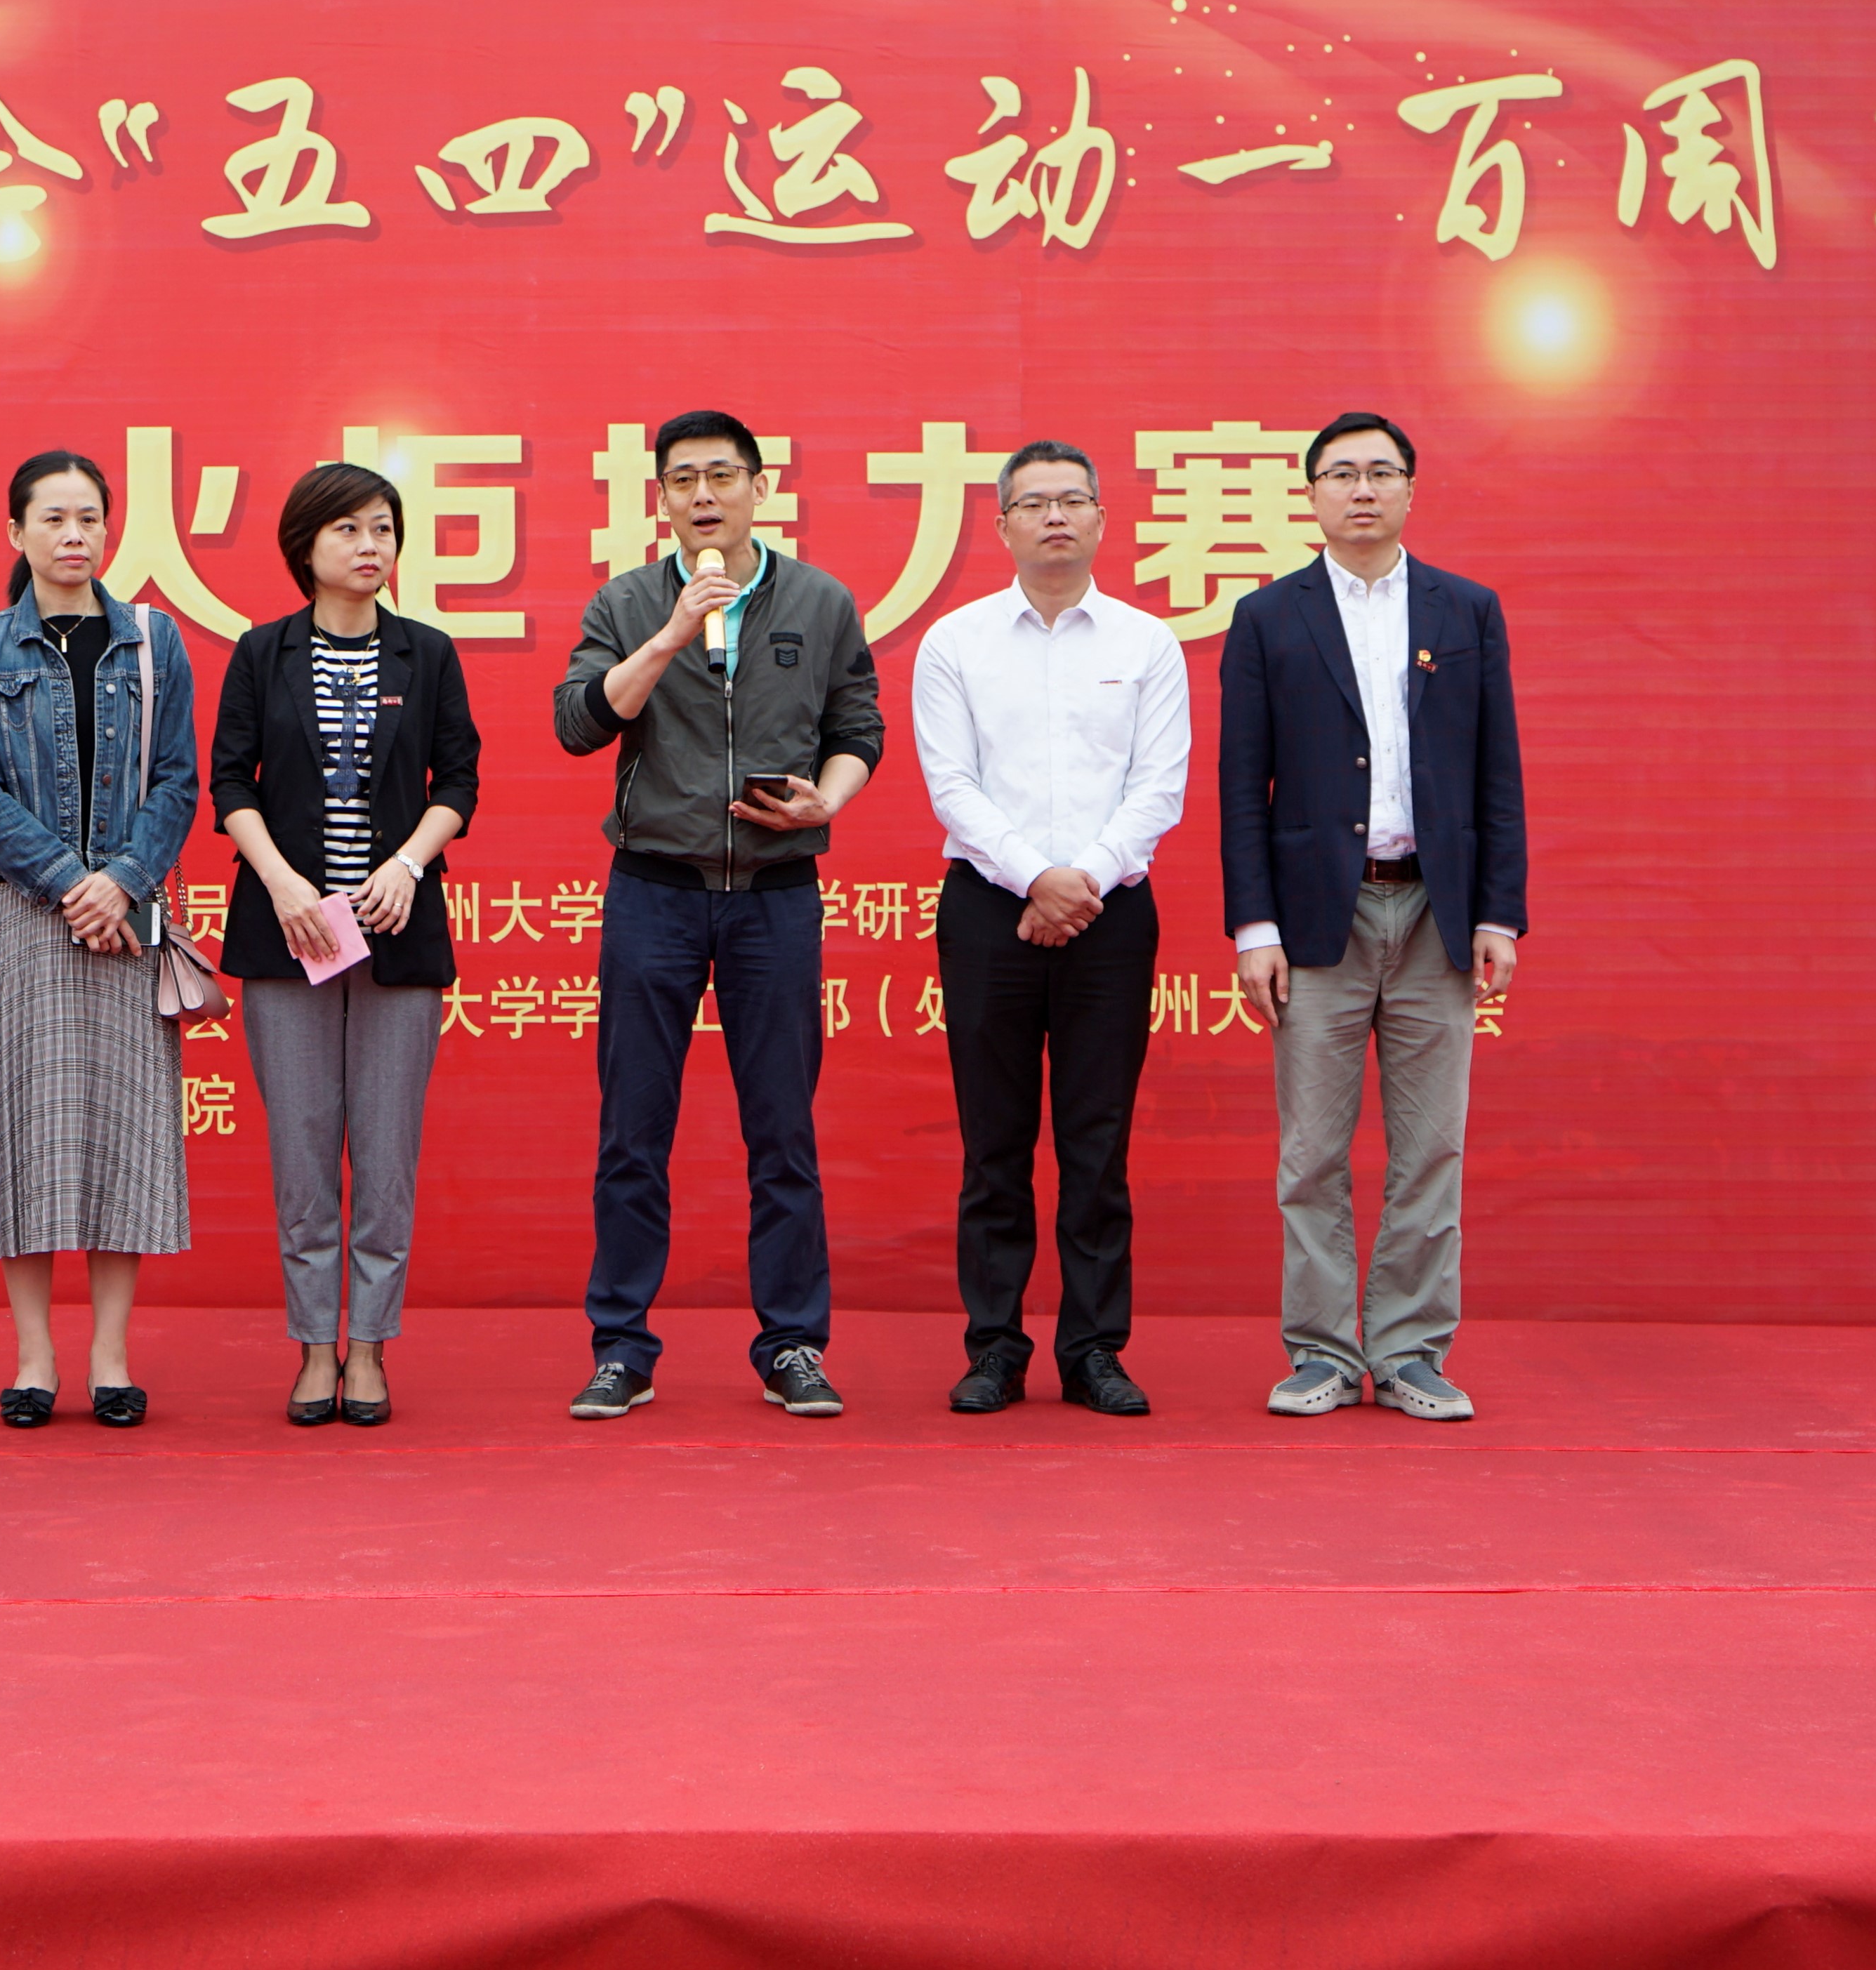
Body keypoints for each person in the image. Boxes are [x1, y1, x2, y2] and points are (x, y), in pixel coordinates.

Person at [550, 409, 887, 1422]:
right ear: (660, 498)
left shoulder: (820, 602)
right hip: (653, 892)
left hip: (775, 898)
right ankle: (622, 1348)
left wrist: (830, 800)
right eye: (684, 480)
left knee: (783, 1133)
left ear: (759, 487)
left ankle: (792, 1345)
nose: (704, 496)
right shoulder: (626, 601)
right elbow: (578, 724)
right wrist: (671, 633)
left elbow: (858, 726)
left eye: (723, 476)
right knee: (632, 1131)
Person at [1217, 412, 1526, 1424]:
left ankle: (1409, 1353)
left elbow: (1497, 774)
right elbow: (1241, 788)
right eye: (1342, 474)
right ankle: (1318, 1350)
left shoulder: (1465, 609)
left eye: (1381, 473)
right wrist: (1254, 930)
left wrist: (1499, 914)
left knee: (1431, 1147)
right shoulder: (1268, 617)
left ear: (1410, 490)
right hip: (1320, 918)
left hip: (1439, 909)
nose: (1362, 490)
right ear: (1310, 494)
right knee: (1312, 1152)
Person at [911, 439, 1191, 1417]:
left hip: (1112, 914)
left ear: (1104, 520)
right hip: (989, 909)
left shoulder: (1147, 644)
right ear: (1001, 527)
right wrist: (1037, 878)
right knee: (995, 1142)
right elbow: (951, 783)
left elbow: (1160, 787)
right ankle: (994, 1347)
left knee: (1096, 1142)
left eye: (1074, 500)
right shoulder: (955, 642)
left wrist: (1084, 882)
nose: (1056, 516)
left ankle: (1094, 1350)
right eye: (1035, 503)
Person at [213, 463, 482, 1428]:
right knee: (302, 1153)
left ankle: (368, 1346)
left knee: (386, 1152)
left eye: (383, 529)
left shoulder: (428, 653)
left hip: (395, 935)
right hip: (288, 935)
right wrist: (283, 883)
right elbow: (230, 784)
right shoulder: (262, 652)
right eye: (349, 530)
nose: (371, 547)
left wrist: (408, 864)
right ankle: (313, 1347)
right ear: (305, 546)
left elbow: (459, 779)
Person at [0, 448, 203, 1429]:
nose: (73, 536)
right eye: (52, 519)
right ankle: (33, 1358)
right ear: (16, 532)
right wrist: (69, 882)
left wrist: (123, 881)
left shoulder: (153, 639)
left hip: (129, 913)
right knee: (24, 1129)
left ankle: (110, 1357)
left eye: (89, 517)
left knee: (118, 1131)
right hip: (23, 913)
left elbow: (178, 778)